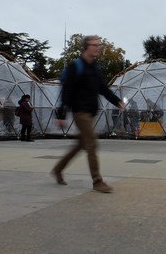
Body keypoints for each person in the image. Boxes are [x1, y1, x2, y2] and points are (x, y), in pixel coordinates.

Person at [53, 35, 125, 193]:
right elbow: (66, 90)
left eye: (99, 44)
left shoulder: (95, 68)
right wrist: (61, 114)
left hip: (91, 112)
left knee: (81, 144)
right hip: (80, 111)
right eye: (95, 44)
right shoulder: (75, 66)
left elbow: (103, 88)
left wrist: (117, 101)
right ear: (86, 47)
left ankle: (58, 169)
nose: (98, 47)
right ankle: (97, 181)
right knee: (92, 143)